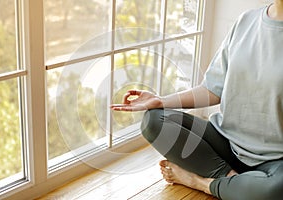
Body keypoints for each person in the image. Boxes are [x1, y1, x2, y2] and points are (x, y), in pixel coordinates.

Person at [111, 1, 283, 200]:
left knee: (275, 190)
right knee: (154, 121)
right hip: (225, 142)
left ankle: (200, 182)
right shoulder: (246, 21)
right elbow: (211, 89)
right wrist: (159, 101)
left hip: (275, 159)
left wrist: (197, 183)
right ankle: (232, 183)